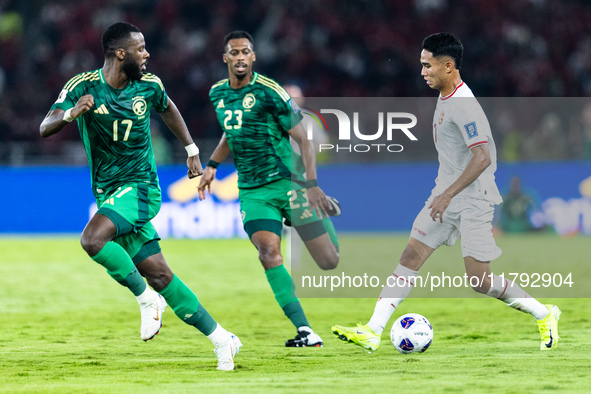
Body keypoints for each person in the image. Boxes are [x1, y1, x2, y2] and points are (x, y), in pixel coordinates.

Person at [332, 33, 560, 352]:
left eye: (428, 66)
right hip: (446, 196)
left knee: (479, 281)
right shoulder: (446, 96)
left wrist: (448, 193)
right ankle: (372, 330)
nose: (422, 71)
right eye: (421, 65)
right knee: (410, 256)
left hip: (473, 200)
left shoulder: (464, 107)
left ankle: (545, 313)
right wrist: (445, 193)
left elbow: (483, 157)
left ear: (448, 66)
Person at [39, 22, 241, 371]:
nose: (147, 55)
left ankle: (147, 301)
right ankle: (223, 339)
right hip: (108, 192)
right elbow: (46, 126)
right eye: (140, 49)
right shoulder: (83, 86)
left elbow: (168, 109)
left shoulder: (149, 85)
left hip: (141, 187)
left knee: (92, 239)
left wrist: (191, 148)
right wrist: (73, 113)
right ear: (121, 53)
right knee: (161, 275)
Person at [198, 31, 341, 347]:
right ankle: (305, 330)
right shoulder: (217, 93)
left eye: (245, 52)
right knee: (269, 253)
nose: (239, 57)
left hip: (288, 182)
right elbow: (231, 132)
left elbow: (304, 139)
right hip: (252, 189)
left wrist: (313, 186)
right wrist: (211, 165)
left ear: (253, 57)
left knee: (329, 261)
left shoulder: (270, 91)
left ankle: (320, 211)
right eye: (233, 52)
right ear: (225, 58)